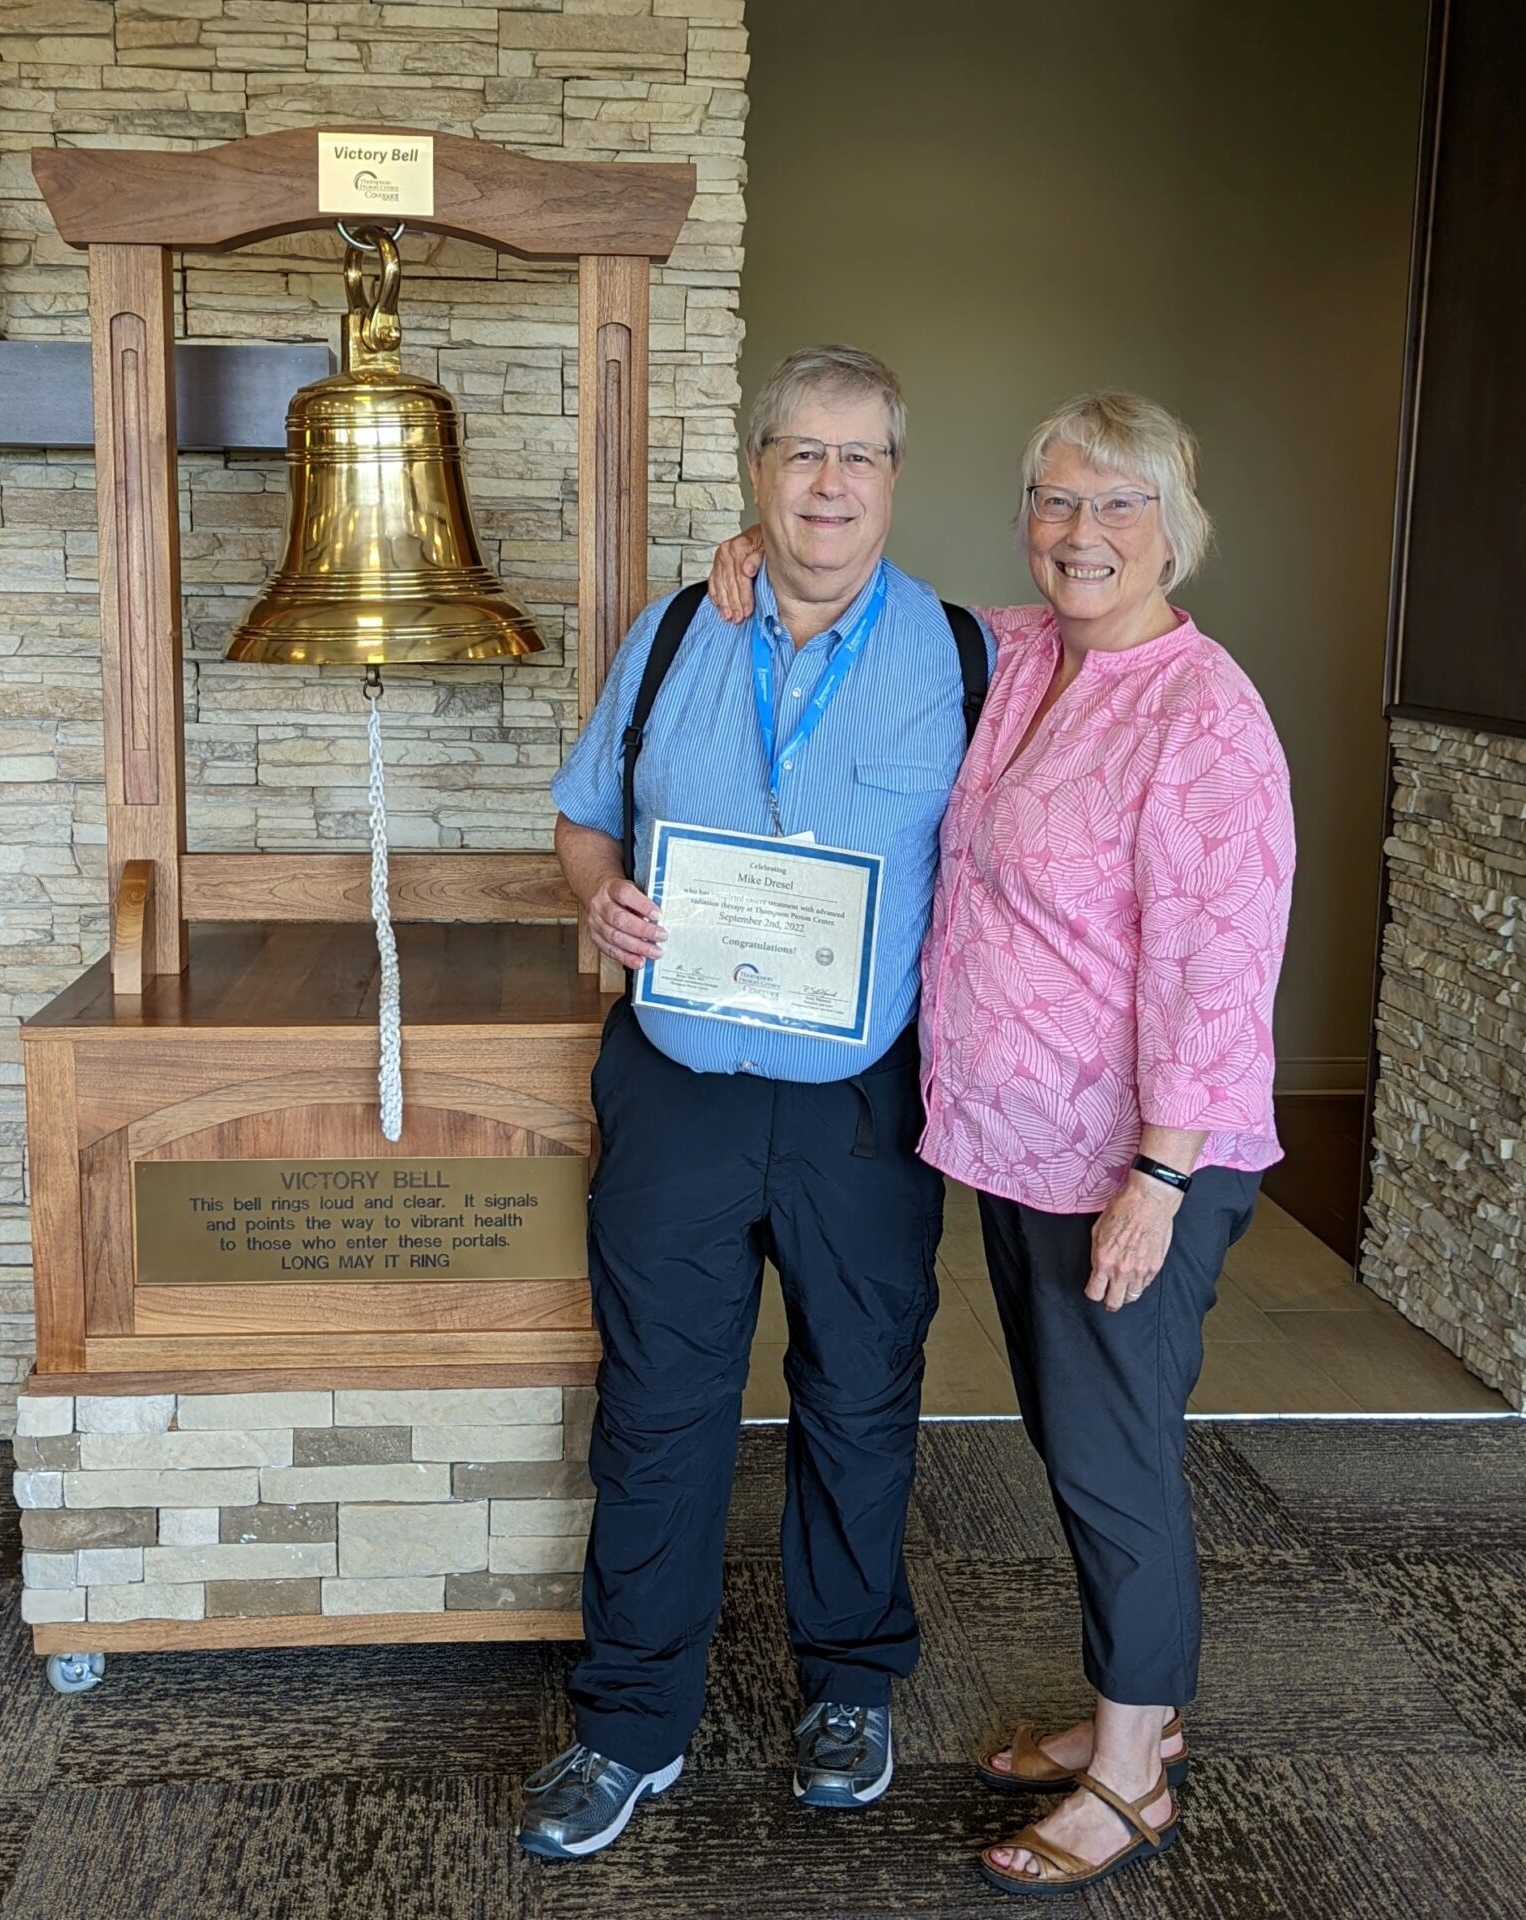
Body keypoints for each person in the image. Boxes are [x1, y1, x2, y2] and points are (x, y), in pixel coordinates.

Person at [707, 389, 1295, 1897]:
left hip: (1137, 1161)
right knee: (1071, 1436)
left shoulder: (1204, 714)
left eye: (1116, 505)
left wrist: (1160, 1179)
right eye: (1053, 501)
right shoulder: (1016, 652)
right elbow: (870, 608)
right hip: (1028, 1145)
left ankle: (1128, 1773)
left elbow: (1213, 970)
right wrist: (756, 556)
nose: (1079, 533)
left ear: (1176, 525)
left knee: (1113, 1459)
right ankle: (1134, 1718)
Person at [516, 345, 994, 1861]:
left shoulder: (980, 657)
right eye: (801, 454)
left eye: (859, 457)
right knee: (660, 1408)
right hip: (679, 1089)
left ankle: (851, 1686)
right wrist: (603, 905)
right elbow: (584, 823)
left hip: (863, 1103)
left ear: (895, 479)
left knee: (860, 1396)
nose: (829, 485)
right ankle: (628, 1723)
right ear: (759, 473)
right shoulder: (673, 634)